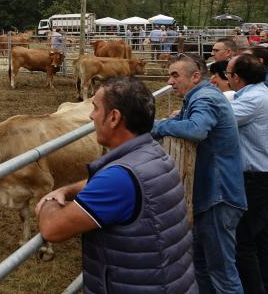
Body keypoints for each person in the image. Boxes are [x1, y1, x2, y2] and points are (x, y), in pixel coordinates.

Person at [37, 76, 196, 294]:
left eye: (95, 108)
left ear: (114, 117)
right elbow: (110, 185)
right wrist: (68, 189)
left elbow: (52, 228)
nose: (91, 115)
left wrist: (48, 199)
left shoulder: (118, 179)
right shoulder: (152, 153)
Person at [152, 54, 246, 294]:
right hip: (210, 191)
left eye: (175, 75)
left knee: (222, 271)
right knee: (202, 263)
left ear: (195, 76)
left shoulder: (204, 97)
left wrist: (154, 126)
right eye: (169, 75)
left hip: (219, 194)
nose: (170, 81)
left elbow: (196, 129)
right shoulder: (199, 96)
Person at [226, 55, 268, 294]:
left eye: (229, 73)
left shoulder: (251, 101)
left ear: (236, 78)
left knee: (243, 242)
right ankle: (267, 287)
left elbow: (219, 118)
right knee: (264, 240)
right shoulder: (262, 94)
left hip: (257, 181)